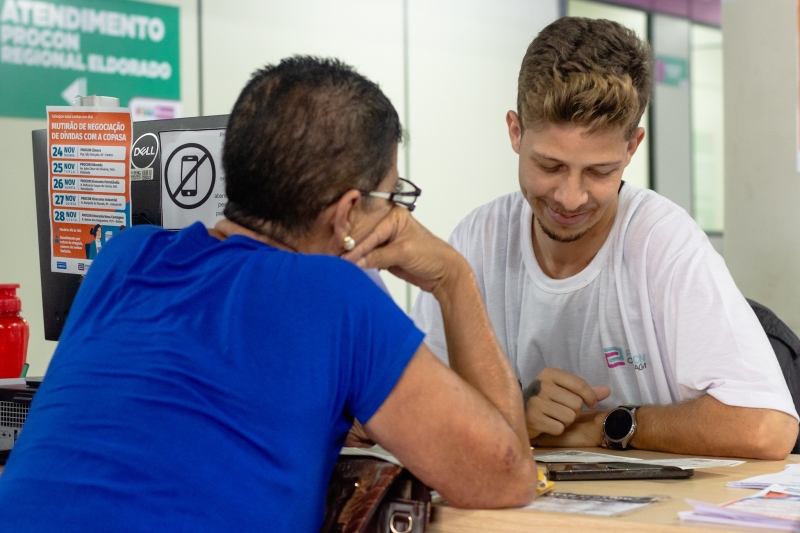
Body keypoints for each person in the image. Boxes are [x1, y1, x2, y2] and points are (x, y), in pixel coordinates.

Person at [0, 57, 537, 532]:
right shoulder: (336, 296)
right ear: (348, 212)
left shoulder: (123, 258)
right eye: (390, 196)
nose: (395, 214)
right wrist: (453, 277)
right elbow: (507, 476)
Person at [411, 17, 799, 460]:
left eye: (599, 172)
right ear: (515, 132)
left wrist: (599, 427)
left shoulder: (661, 241)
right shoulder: (479, 239)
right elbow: (418, 404)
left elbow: (767, 428)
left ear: (632, 148)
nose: (570, 198)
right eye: (550, 166)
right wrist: (513, 409)